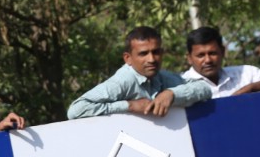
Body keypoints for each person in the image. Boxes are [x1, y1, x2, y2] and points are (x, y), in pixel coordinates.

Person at [67, 26, 212, 119]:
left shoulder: (162, 77)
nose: (151, 59)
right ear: (128, 58)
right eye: (143, 54)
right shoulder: (123, 82)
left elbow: (205, 89)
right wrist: (129, 105)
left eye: (156, 52)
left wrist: (172, 94)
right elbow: (76, 110)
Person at [182, 26, 260, 98]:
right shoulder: (180, 86)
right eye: (201, 55)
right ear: (189, 58)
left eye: (213, 53)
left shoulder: (245, 74)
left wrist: (252, 87)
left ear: (222, 52)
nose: (207, 60)